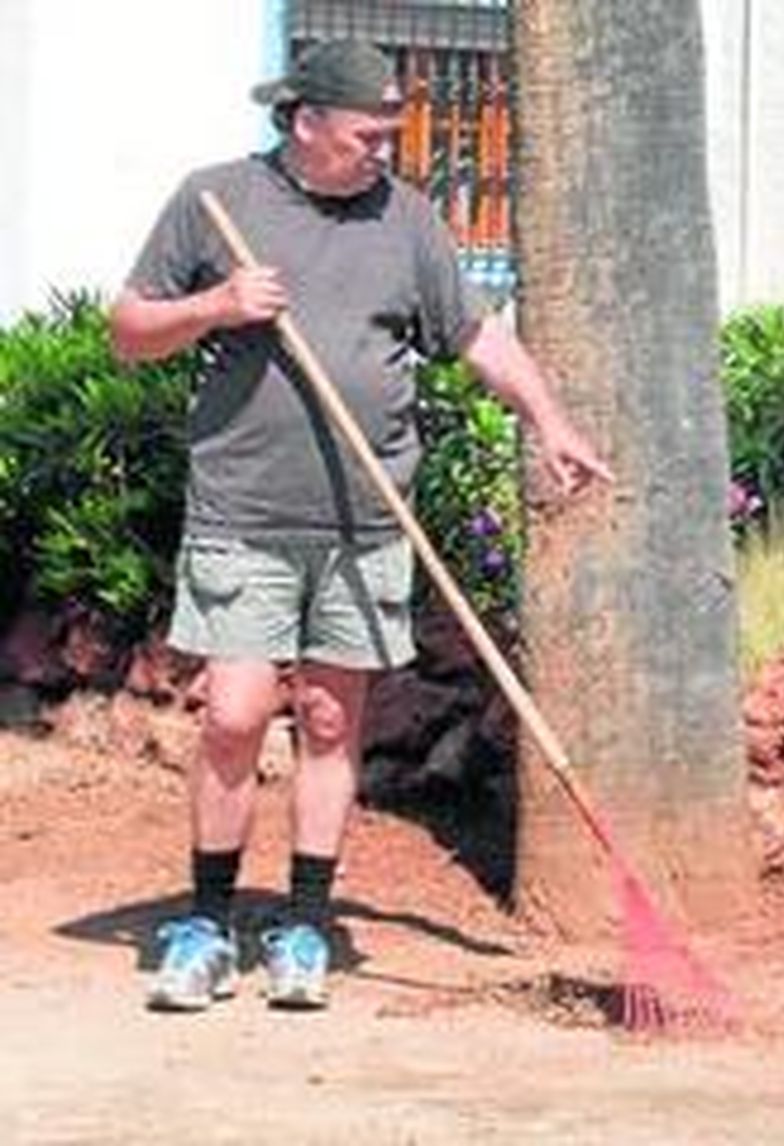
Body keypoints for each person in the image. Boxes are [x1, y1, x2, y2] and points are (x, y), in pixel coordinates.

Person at [108, 39, 612, 1011]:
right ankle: (206, 924)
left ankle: (303, 926)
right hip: (245, 511)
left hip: (366, 515)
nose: (385, 150)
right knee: (234, 717)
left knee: (333, 721)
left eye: (392, 133)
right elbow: (128, 332)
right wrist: (217, 304)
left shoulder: (407, 222)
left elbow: (476, 336)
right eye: (368, 135)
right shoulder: (214, 199)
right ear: (305, 122)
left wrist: (548, 418)